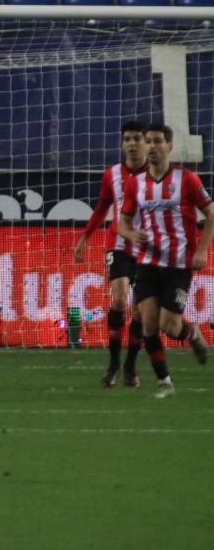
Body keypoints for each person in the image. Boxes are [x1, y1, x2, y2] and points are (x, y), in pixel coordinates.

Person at [117, 123, 213, 399]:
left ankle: (192, 333)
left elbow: (211, 214)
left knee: (169, 327)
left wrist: (202, 251)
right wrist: (132, 234)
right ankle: (165, 383)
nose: (153, 146)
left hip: (179, 265)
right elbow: (122, 223)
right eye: (149, 141)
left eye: (158, 141)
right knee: (147, 323)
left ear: (169, 147)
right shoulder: (137, 184)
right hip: (148, 263)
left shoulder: (188, 180)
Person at [73, 121, 148, 388]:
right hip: (118, 245)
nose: (132, 143)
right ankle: (114, 364)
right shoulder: (111, 174)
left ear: (146, 143)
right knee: (118, 300)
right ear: (121, 143)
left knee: (140, 312)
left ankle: (130, 366)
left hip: (149, 248)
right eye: (127, 138)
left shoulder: (156, 175)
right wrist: (84, 238)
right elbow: (102, 208)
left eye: (137, 138)